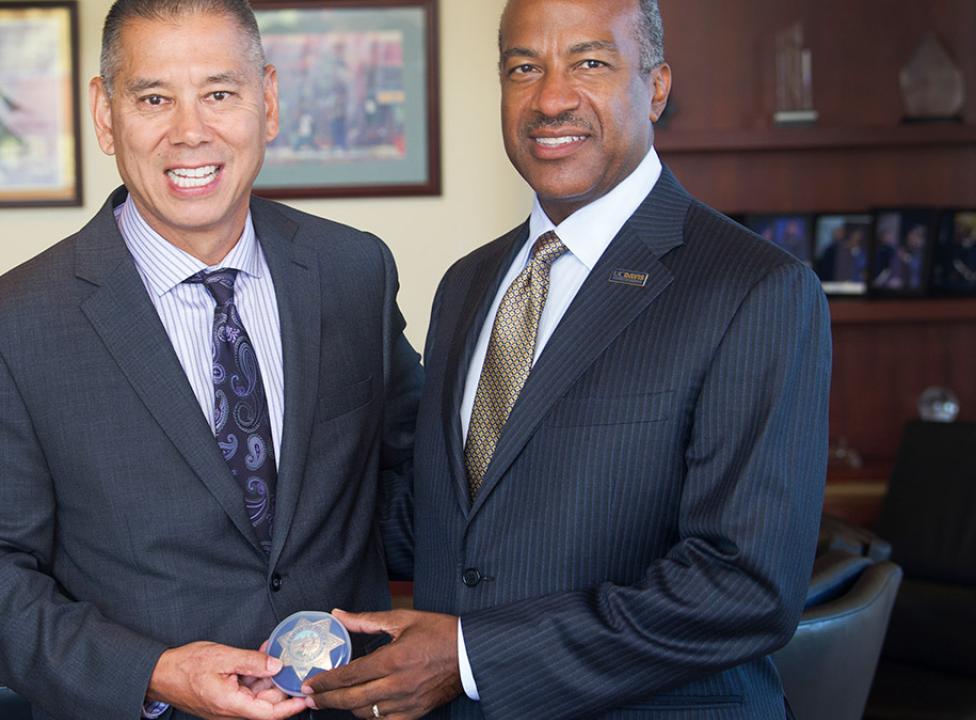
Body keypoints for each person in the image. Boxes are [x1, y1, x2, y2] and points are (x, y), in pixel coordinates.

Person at [306, 0, 830, 718]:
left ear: (657, 86)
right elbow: (446, 517)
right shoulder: (468, 284)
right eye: (524, 68)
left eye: (590, 62)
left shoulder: (755, 290)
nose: (551, 99)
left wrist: (469, 658)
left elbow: (744, 587)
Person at [0, 1, 421, 719]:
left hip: (345, 707)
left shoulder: (353, 271)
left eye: (220, 94)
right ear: (105, 113)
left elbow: (418, 482)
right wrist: (151, 671)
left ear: (269, 103)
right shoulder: (5, 330)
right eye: (155, 98)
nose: (191, 132)